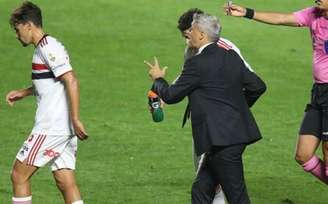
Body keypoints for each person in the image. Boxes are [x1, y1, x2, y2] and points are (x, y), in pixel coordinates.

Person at [144, 13, 266, 204]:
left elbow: (171, 96)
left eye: (191, 30)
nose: (188, 34)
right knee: (201, 191)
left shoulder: (197, 63)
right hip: (225, 138)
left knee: (237, 196)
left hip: (222, 140)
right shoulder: (230, 56)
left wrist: (158, 78)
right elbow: (258, 86)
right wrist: (236, 109)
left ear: (201, 34)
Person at [225, 0, 328, 184]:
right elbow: (282, 18)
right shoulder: (314, 14)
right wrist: (247, 12)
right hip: (319, 92)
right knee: (303, 155)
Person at [6, 2, 88, 204]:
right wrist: (24, 92)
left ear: (29, 25)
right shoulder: (46, 47)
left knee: (18, 175)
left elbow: (71, 80)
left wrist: (76, 119)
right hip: (64, 127)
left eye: (18, 30)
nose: (17, 36)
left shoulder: (48, 48)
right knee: (65, 180)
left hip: (52, 126)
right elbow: (52, 82)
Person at [176, 8, 256, 204]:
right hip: (205, 123)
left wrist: (233, 110)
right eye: (184, 36)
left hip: (223, 129)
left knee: (226, 188)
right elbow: (188, 78)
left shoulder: (226, 48)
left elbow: (249, 79)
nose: (187, 40)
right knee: (204, 183)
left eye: (189, 34)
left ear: (200, 31)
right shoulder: (193, 50)